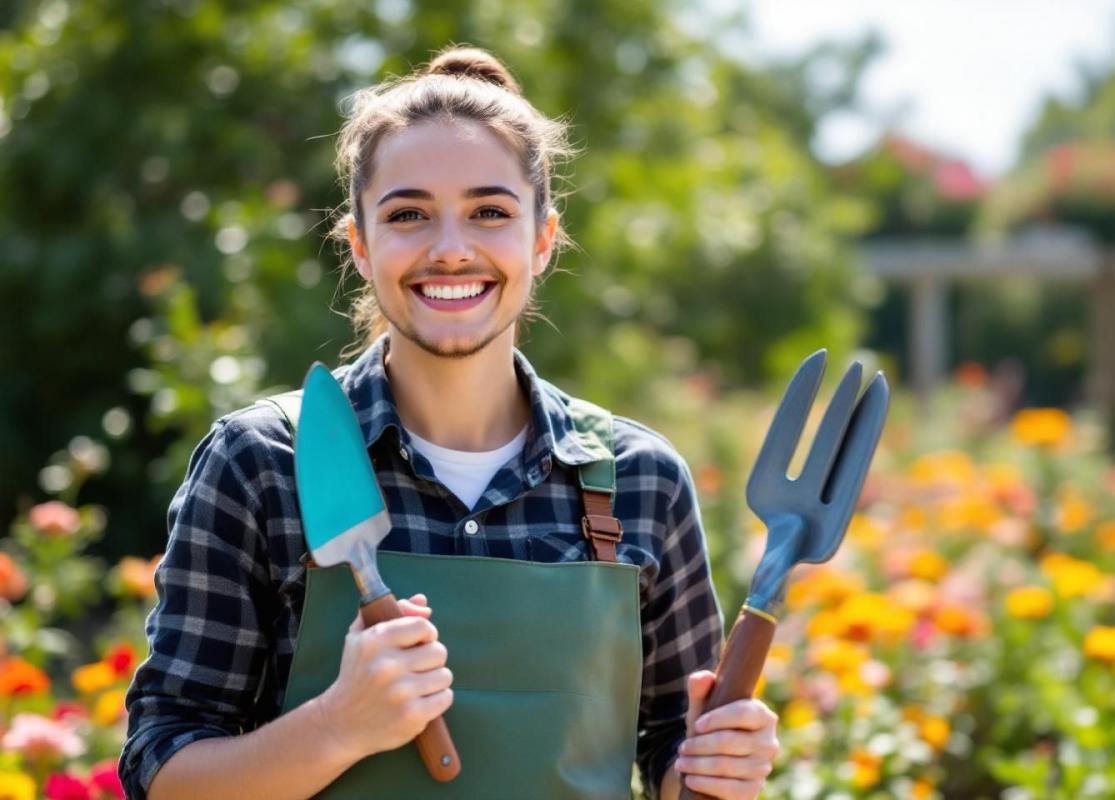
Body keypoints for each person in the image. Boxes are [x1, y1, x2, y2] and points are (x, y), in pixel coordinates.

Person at [119, 45, 779, 800]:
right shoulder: (264, 462)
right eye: (409, 215)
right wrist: (338, 725)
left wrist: (713, 767)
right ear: (360, 245)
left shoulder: (640, 481)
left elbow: (670, 750)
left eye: (489, 211)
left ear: (542, 237)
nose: (451, 249)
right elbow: (162, 769)